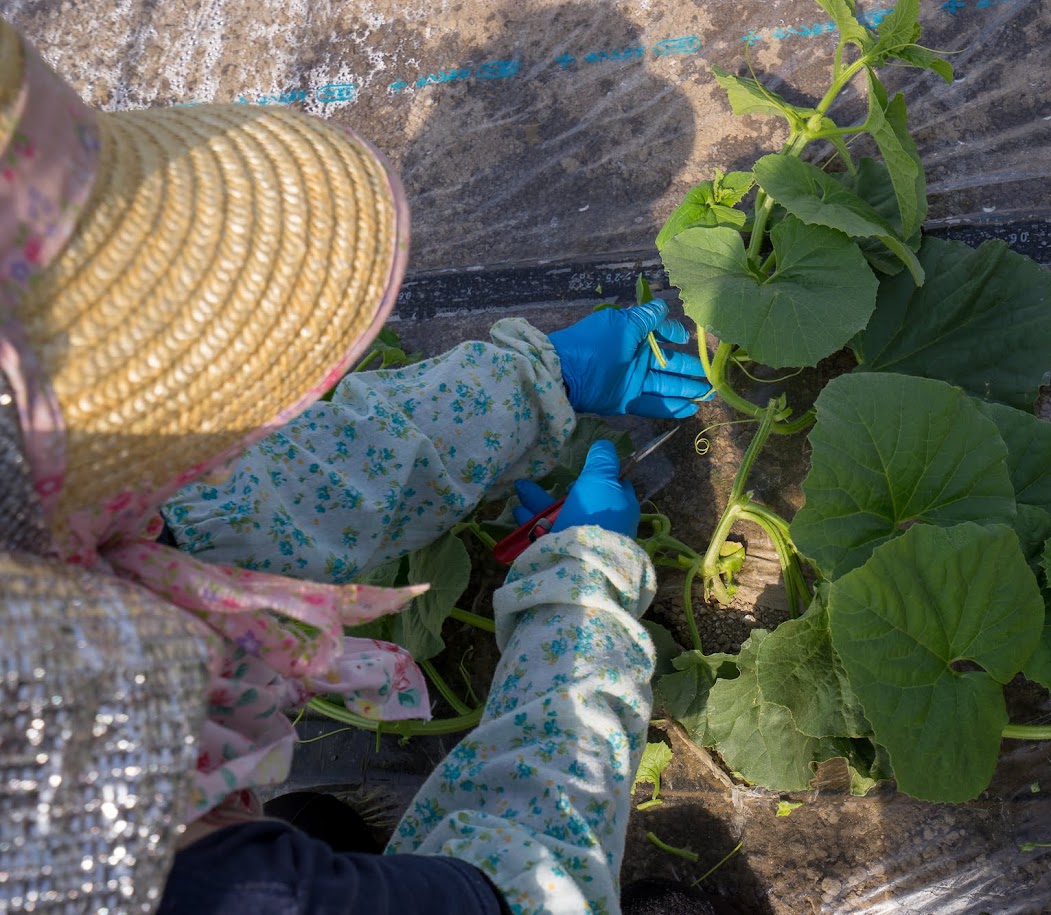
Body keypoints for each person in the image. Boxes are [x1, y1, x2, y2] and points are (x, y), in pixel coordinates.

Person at [0, 16, 713, 914]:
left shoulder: (29, 499)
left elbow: (214, 511)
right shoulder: (191, 885)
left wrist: (526, 387)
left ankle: (304, 828)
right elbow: (526, 887)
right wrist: (581, 602)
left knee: (317, 824)